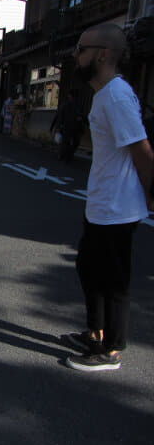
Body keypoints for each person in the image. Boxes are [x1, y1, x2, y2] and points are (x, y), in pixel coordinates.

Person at [63, 23, 153, 372]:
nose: (75, 55)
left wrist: (150, 195)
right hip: (102, 205)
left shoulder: (116, 96)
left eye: (81, 49)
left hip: (118, 208)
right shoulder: (104, 95)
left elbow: (143, 150)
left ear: (102, 55)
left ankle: (112, 348)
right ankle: (95, 333)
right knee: (89, 268)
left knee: (113, 280)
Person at [51, 89, 85, 162]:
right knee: (70, 142)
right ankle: (65, 155)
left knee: (67, 142)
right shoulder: (70, 105)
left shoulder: (67, 105)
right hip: (70, 127)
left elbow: (59, 116)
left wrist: (56, 127)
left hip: (69, 127)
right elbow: (60, 116)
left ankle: (64, 155)